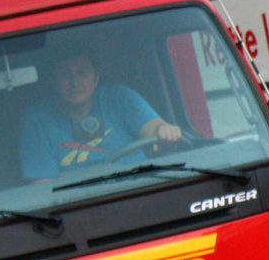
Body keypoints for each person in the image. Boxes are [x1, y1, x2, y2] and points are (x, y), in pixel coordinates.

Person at [19, 52, 182, 180]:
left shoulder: (120, 97)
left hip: (138, 188)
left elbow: (154, 128)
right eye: (64, 75)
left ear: (96, 78)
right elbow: (42, 189)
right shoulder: (36, 121)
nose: (74, 82)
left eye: (82, 72)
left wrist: (165, 130)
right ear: (54, 82)